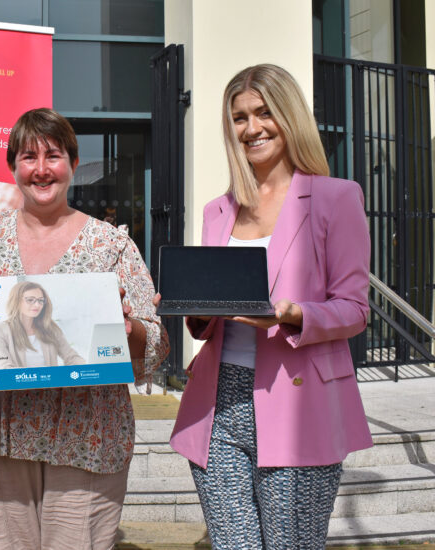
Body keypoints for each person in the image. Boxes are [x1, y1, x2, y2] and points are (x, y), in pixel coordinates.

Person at [0, 107, 169, 549]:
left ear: (73, 164)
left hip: (84, 441)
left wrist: (126, 326)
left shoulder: (111, 244)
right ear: (13, 167)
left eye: (53, 156)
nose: (41, 169)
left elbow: (154, 345)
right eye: (28, 157)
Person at [169, 64, 373, 549]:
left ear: (289, 116)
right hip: (218, 405)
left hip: (299, 402)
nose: (252, 128)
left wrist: (291, 314)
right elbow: (212, 315)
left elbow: (355, 309)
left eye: (263, 113)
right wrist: (191, 307)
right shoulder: (218, 210)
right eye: (239, 118)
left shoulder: (335, 198)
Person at [0, 280, 84, 368]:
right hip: (21, 382)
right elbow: (5, 367)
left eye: (41, 300)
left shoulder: (50, 328)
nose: (37, 305)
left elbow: (71, 357)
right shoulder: (0, 330)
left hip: (52, 382)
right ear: (16, 301)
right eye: (30, 300)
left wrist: (83, 366)